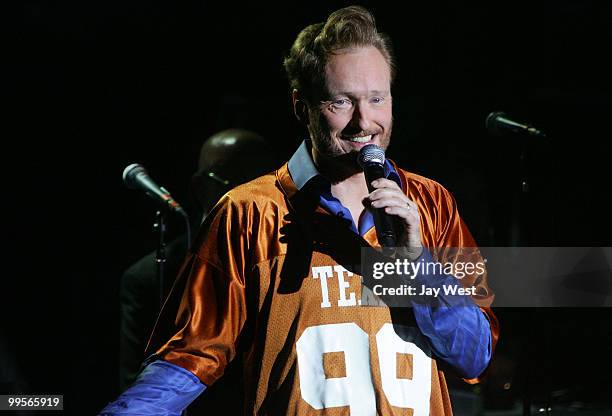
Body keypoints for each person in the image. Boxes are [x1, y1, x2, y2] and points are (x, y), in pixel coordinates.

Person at [100, 6, 498, 415]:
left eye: (377, 99)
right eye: (341, 101)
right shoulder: (247, 213)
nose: (365, 121)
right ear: (301, 107)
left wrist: (417, 264)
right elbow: (188, 357)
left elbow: (476, 357)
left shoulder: (432, 204)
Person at [118, 129, 278, 390]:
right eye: (236, 183)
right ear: (200, 188)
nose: (252, 196)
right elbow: (135, 383)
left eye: (261, 181)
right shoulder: (148, 277)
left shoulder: (300, 255)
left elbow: (370, 306)